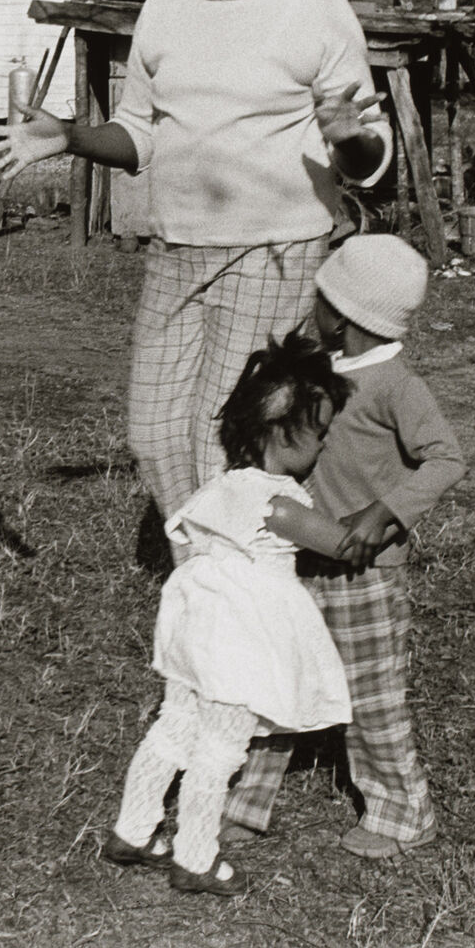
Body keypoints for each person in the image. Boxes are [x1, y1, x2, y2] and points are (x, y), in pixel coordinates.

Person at [0, 0, 392, 531]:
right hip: (176, 250)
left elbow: (370, 165)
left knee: (215, 434)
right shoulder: (164, 12)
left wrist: (350, 138)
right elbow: (138, 136)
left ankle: (225, 579)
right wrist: (69, 135)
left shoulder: (317, 14)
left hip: (274, 251)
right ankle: (216, 562)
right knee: (154, 432)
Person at [220, 234, 465, 859]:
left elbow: (446, 460)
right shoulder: (315, 372)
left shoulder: (396, 385)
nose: (313, 306)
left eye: (322, 296)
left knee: (371, 700)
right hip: (294, 563)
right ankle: (244, 803)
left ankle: (403, 815)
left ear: (343, 312)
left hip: (365, 577)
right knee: (272, 681)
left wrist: (383, 512)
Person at [99, 333, 359, 896]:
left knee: (173, 728)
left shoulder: (220, 487)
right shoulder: (281, 504)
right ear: (282, 435)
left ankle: (133, 828)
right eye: (320, 433)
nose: (324, 445)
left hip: (195, 626)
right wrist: (377, 521)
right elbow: (343, 546)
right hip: (240, 637)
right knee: (219, 750)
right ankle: (195, 856)